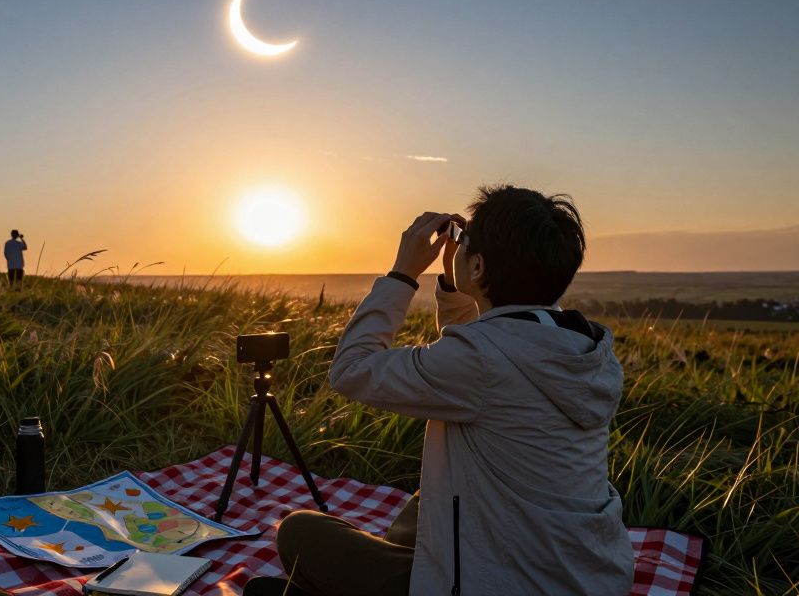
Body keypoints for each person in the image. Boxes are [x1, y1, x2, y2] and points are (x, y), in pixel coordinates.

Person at [251, 185, 633, 596]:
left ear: (479, 266)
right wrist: (455, 287)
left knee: (300, 532)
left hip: (503, 583)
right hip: (592, 574)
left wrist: (402, 273)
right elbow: (487, 355)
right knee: (425, 500)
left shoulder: (480, 361)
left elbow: (351, 370)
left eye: (466, 244)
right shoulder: (584, 346)